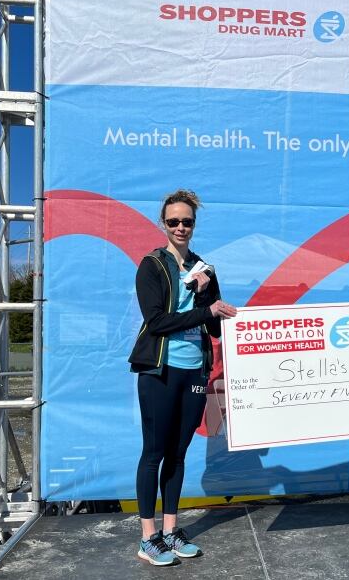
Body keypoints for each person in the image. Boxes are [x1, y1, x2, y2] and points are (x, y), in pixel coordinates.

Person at [128, 189, 237, 566]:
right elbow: (156, 322)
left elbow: (218, 328)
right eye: (173, 221)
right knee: (154, 453)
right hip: (159, 369)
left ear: (194, 225)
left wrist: (210, 298)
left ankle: (171, 531)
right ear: (163, 223)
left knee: (177, 454)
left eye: (186, 221)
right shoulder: (152, 266)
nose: (180, 227)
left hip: (194, 369)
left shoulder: (206, 268)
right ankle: (148, 538)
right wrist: (204, 310)